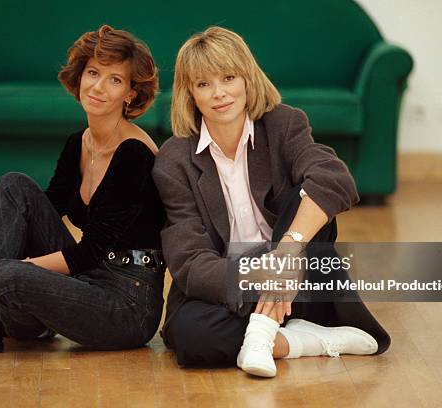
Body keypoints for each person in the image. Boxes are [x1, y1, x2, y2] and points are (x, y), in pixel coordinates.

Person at [0, 25, 166, 356]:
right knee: (14, 185)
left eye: (114, 80)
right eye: (93, 73)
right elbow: (42, 207)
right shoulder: (79, 143)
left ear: (130, 93)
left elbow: (89, 253)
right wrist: (0, 269)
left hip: (127, 302)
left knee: (7, 274)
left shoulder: (134, 154)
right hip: (88, 280)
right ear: (80, 76)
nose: (98, 87)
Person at [153, 26, 390, 377]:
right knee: (190, 335)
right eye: (204, 84)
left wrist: (287, 253)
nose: (219, 93)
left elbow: (334, 179)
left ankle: (263, 333)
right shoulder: (173, 160)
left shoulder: (284, 124)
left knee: (306, 196)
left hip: (300, 278)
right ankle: (298, 342)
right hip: (231, 288)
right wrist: (265, 273)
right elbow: (190, 263)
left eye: (228, 77)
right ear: (190, 94)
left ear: (248, 78)